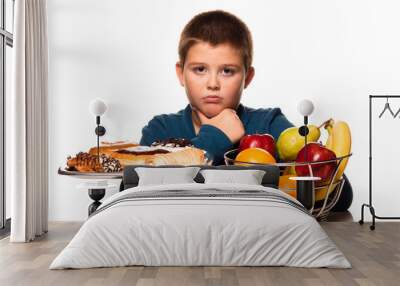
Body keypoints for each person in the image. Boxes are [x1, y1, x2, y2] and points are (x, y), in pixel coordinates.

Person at [140, 10, 294, 165]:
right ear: (181, 74)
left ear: (247, 77)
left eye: (227, 71)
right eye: (200, 69)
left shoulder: (270, 125)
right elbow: (146, 185)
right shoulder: (160, 130)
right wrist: (215, 138)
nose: (213, 84)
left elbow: (308, 177)